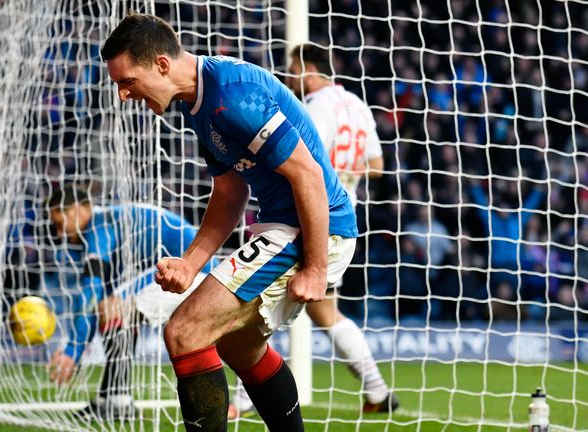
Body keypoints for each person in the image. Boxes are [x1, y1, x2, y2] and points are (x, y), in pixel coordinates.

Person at [101, 13, 358, 432]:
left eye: (127, 80)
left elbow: (308, 173)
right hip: (284, 226)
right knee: (240, 345)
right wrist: (189, 262)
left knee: (185, 330)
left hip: (311, 229)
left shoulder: (231, 96)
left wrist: (315, 269)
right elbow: (229, 195)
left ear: (161, 65)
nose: (124, 95)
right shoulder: (198, 106)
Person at [230, 43, 397, 418]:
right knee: (325, 314)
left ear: (307, 69)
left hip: (308, 219)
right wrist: (344, 173)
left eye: (292, 70)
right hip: (344, 222)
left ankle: (241, 401)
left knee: (254, 300)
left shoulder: (315, 108)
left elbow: (304, 162)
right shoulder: (357, 104)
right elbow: (378, 164)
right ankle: (377, 389)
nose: (290, 78)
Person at [45, 184, 216, 420]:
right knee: (112, 306)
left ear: (75, 210)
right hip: (190, 269)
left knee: (113, 307)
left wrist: (73, 350)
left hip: (194, 271)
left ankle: (118, 399)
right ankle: (110, 396)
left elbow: (91, 291)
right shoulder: (111, 222)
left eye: (58, 223)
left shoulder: (101, 225)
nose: (58, 233)